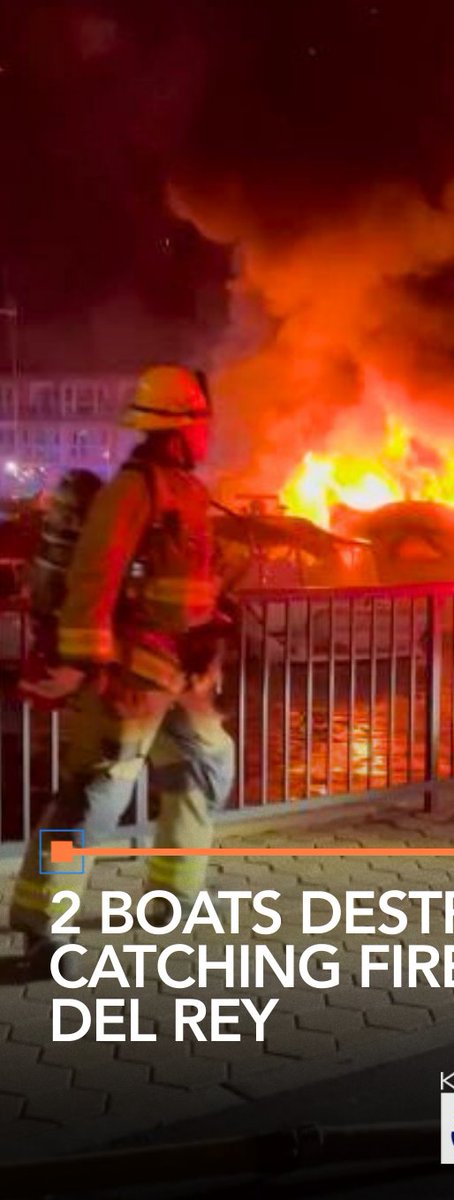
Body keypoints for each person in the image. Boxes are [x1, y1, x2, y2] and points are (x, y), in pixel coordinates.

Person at [10, 364, 236, 977]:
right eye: (200, 423)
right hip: (132, 675)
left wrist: (209, 632)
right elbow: (93, 578)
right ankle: (41, 925)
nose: (208, 434)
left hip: (179, 673)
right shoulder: (134, 491)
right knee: (95, 795)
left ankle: (172, 898)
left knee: (205, 765)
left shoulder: (185, 489)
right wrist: (90, 664)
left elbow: (187, 584)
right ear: (179, 428)